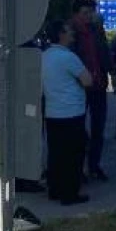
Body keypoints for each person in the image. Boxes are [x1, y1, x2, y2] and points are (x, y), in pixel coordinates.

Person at [41, 19, 92, 205]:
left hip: (52, 112)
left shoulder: (45, 56)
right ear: (61, 34)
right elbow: (87, 80)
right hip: (71, 113)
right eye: (69, 31)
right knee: (73, 156)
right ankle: (70, 194)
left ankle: (54, 189)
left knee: (55, 154)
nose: (72, 34)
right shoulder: (68, 57)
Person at [69, 0, 112, 182]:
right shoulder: (69, 32)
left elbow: (104, 53)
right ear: (76, 14)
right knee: (76, 128)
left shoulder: (96, 30)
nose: (89, 17)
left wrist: (112, 73)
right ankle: (77, 168)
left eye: (90, 13)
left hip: (99, 85)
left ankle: (94, 166)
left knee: (98, 128)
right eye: (85, 13)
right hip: (79, 87)